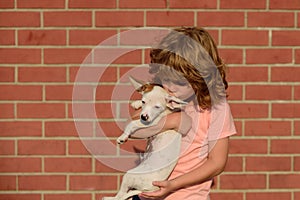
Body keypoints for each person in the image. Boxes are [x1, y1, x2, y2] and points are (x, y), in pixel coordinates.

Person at [130, 27, 237, 200]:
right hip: (146, 193)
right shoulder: (160, 94)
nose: (169, 87)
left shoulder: (216, 108)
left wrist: (173, 185)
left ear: (200, 77)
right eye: (165, 78)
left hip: (186, 195)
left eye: (178, 82)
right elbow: (133, 129)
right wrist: (173, 120)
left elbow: (217, 163)